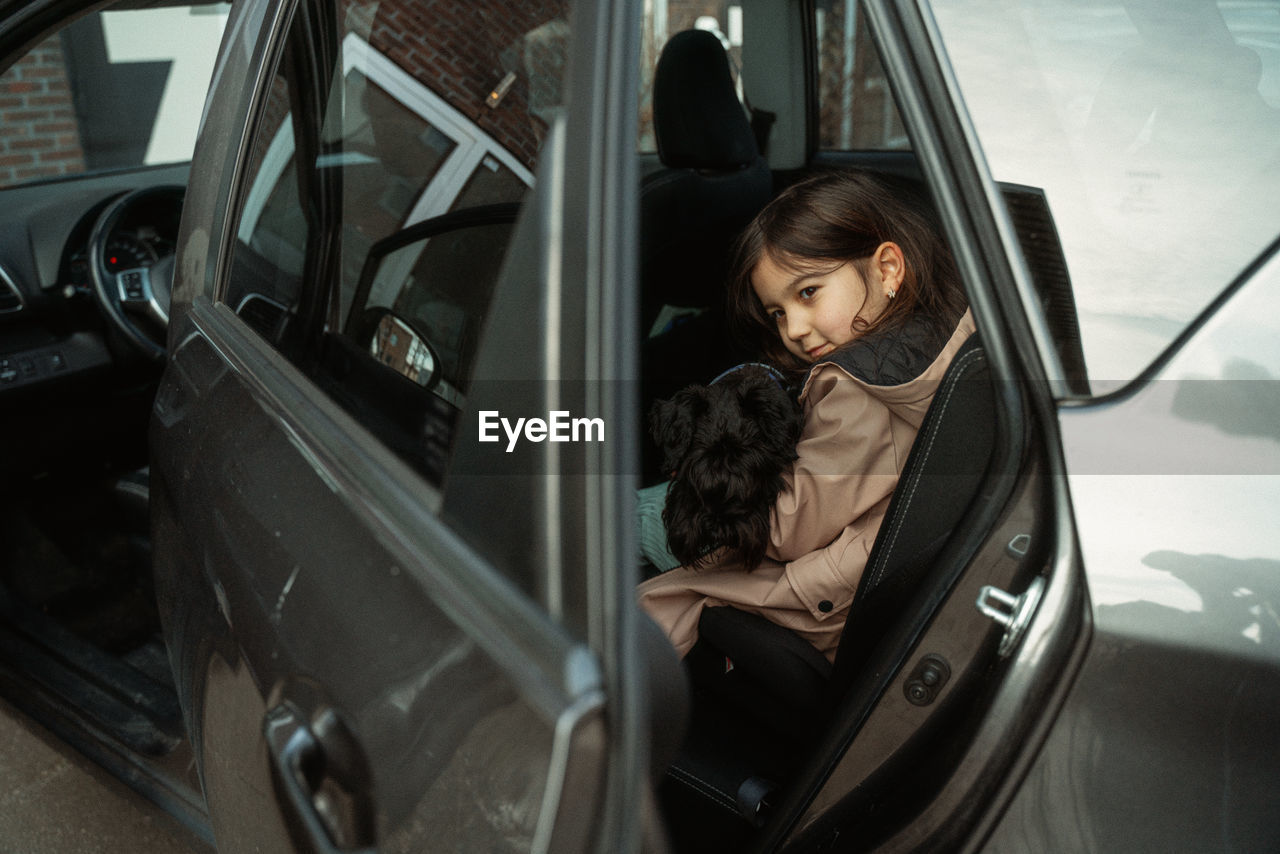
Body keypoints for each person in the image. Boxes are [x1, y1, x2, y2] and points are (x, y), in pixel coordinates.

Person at [637, 169, 974, 661]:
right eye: (777, 312)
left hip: (817, 596)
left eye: (808, 293)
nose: (793, 328)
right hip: (854, 572)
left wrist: (703, 472)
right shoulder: (937, 332)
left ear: (887, 269)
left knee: (627, 514)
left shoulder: (862, 391)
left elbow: (785, 528)